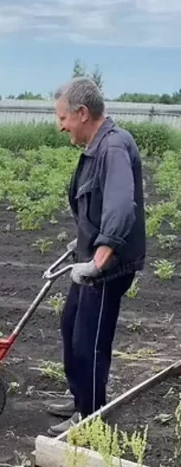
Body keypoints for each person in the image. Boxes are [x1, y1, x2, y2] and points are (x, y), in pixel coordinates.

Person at [46, 77, 146, 436]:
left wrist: (98, 259)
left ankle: (89, 418)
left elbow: (121, 207)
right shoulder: (96, 147)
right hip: (92, 259)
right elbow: (96, 207)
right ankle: (79, 397)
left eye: (62, 118)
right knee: (71, 325)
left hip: (108, 268)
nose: (60, 126)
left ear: (82, 113)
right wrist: (82, 245)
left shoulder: (114, 147)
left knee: (89, 340)